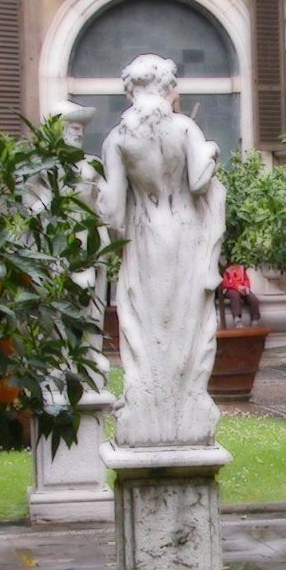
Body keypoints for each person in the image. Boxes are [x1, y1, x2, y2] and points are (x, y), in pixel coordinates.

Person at [95, 54, 225, 448]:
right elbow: (200, 182)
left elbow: (114, 215)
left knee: (145, 323)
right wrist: (212, 150)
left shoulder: (118, 140)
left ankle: (145, 408)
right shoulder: (185, 128)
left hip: (144, 234)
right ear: (166, 89)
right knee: (188, 320)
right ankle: (186, 407)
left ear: (131, 91)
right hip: (187, 234)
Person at [219, 261, 261, 326]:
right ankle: (237, 319)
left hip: (241, 288)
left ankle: (255, 320)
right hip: (229, 288)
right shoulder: (225, 269)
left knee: (253, 299)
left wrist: (245, 287)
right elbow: (225, 283)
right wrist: (237, 287)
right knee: (235, 296)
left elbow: (246, 279)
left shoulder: (241, 268)